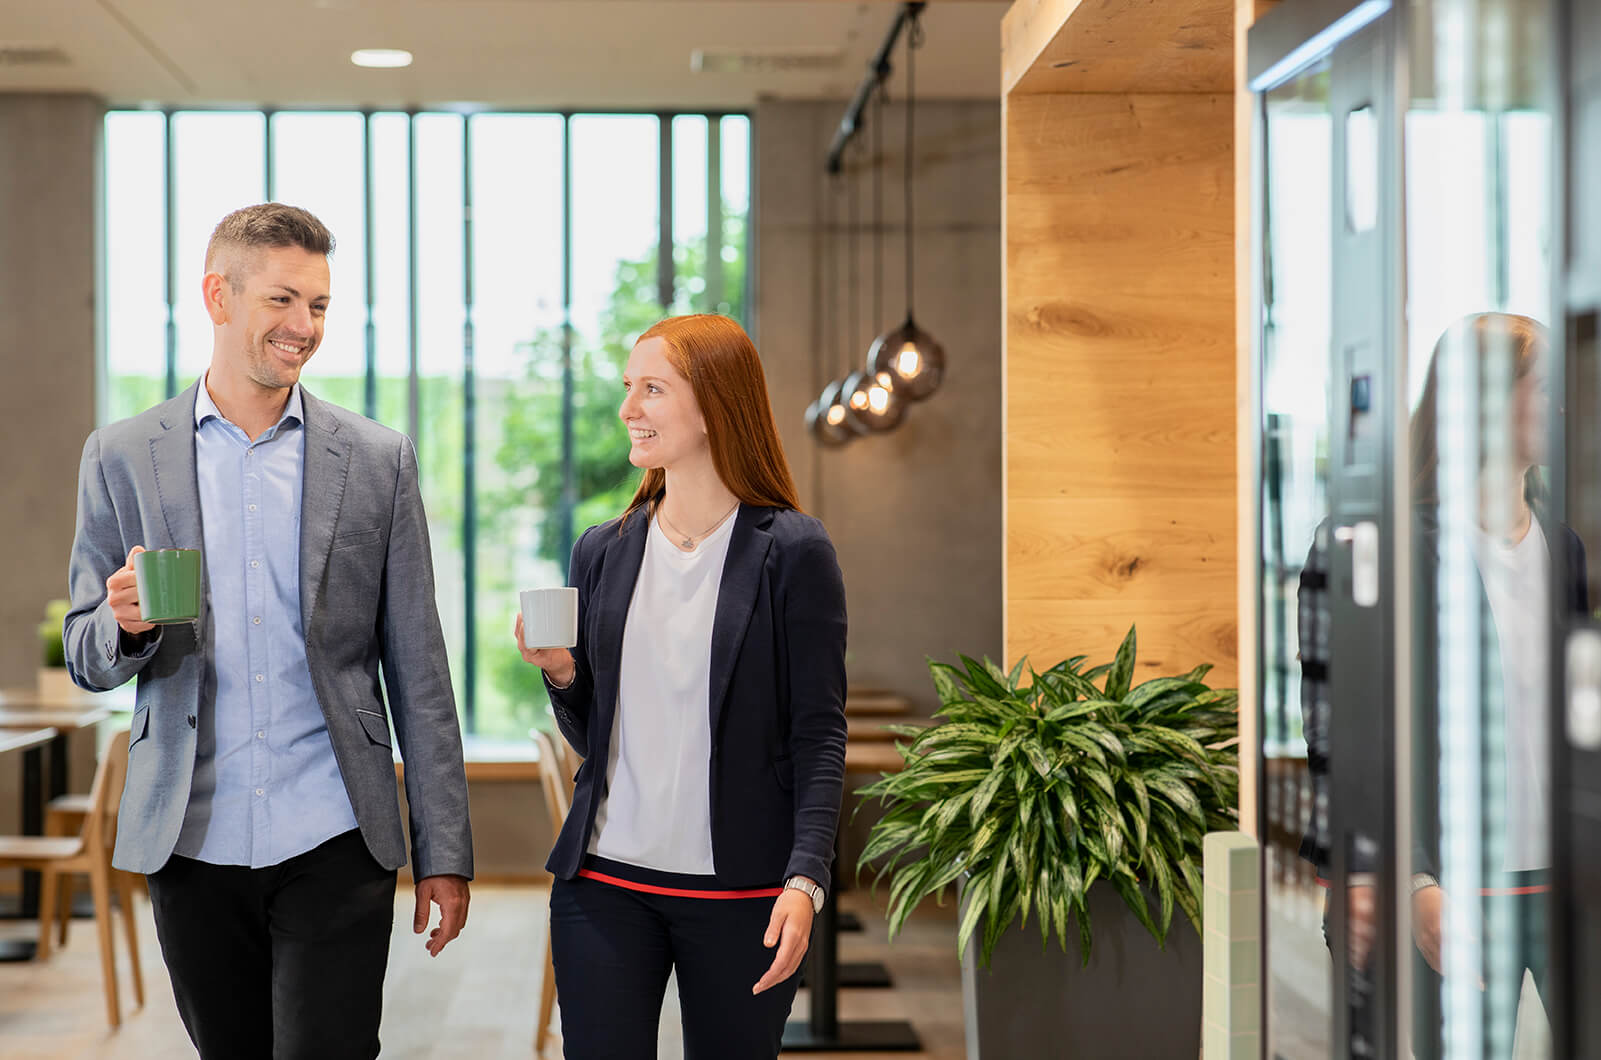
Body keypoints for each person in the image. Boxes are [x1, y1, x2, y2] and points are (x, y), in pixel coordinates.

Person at [62, 203, 473, 1060]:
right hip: (190, 836)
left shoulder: (375, 459)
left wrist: (445, 849)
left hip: (335, 830)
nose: (304, 327)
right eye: (283, 300)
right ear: (218, 294)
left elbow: (419, 672)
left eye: (319, 306)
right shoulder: (123, 455)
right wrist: (125, 626)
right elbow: (84, 650)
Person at [514, 313, 848, 1058]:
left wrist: (805, 880)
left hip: (742, 895)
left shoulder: (792, 551)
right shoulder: (603, 550)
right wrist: (564, 675)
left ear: (715, 407)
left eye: (652, 389)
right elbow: (595, 737)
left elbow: (819, 735)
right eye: (628, 388)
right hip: (601, 886)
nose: (628, 408)